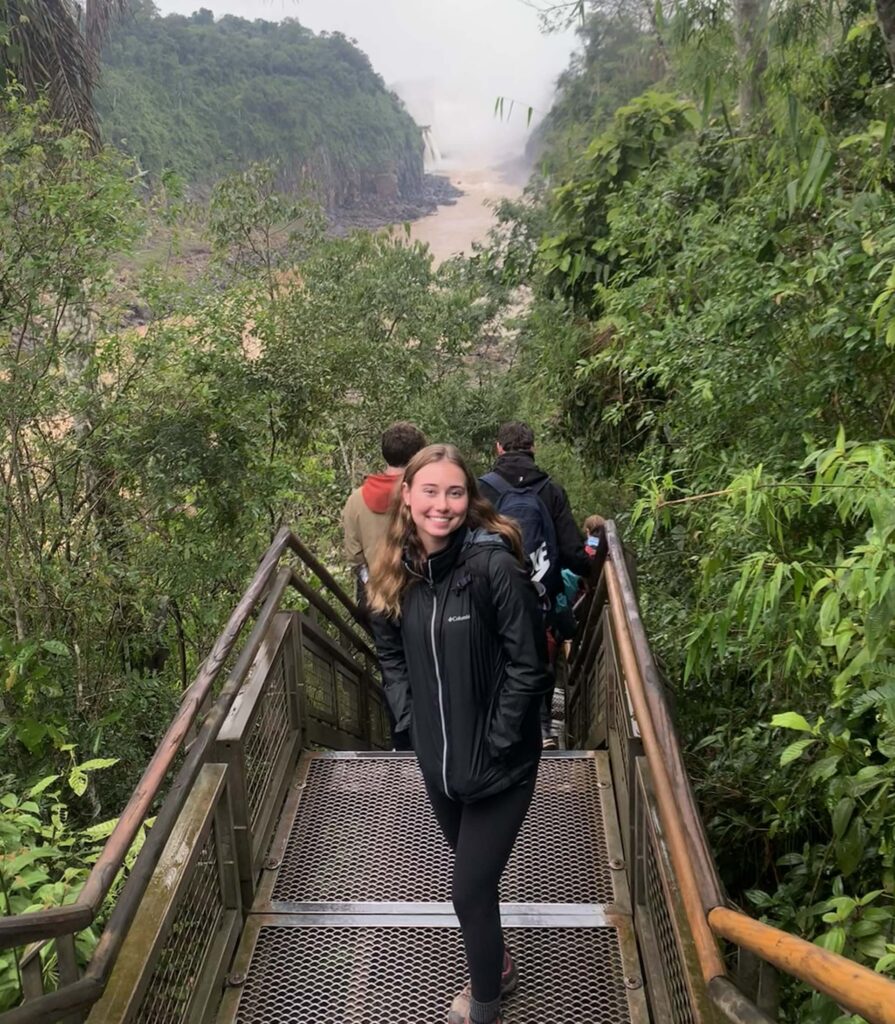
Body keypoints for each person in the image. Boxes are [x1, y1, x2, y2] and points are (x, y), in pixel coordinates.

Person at [367, 444, 549, 1024]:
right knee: (476, 879)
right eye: (430, 491)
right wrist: (410, 721)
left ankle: (486, 1006)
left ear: (469, 499)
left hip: (501, 767)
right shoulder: (396, 569)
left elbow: (529, 665)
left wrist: (498, 740)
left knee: (468, 890)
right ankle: (496, 961)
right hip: (439, 764)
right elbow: (389, 651)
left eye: (454, 492)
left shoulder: (494, 566)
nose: (441, 505)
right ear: (408, 497)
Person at [479, 422, 592, 749]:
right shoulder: (551, 490)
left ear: (498, 448)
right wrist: (591, 563)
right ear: (533, 448)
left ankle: (497, 729)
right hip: (541, 595)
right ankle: (541, 728)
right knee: (539, 655)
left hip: (492, 593)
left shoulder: (482, 490)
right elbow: (572, 554)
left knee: (496, 655)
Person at [342, 421, 427, 749]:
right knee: (429, 662)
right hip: (422, 592)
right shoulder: (423, 494)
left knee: (393, 668)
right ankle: (431, 736)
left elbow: (354, 556)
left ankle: (402, 742)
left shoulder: (356, 500)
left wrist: (371, 585)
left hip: (379, 597)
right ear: (418, 454)